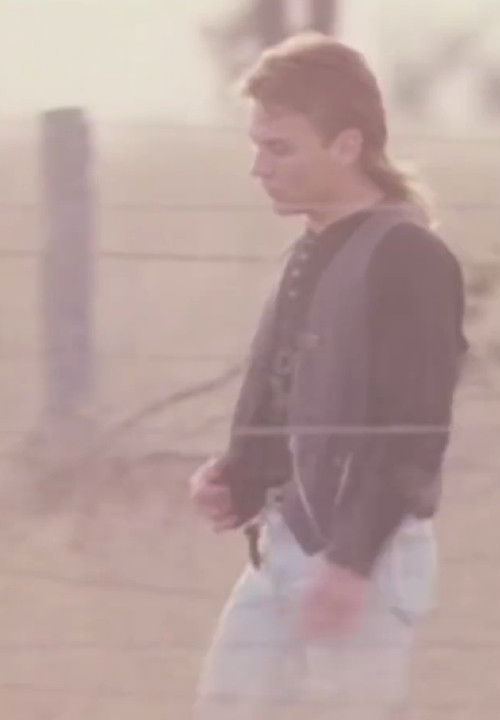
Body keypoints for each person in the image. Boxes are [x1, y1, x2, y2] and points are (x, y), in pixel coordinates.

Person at [188, 32, 469, 719]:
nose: (259, 167)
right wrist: (238, 477)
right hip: (281, 547)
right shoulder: (312, 247)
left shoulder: (409, 256)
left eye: (280, 148)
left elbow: (414, 431)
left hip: (365, 557)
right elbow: (304, 399)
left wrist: (351, 563)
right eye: (257, 146)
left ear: (346, 146)